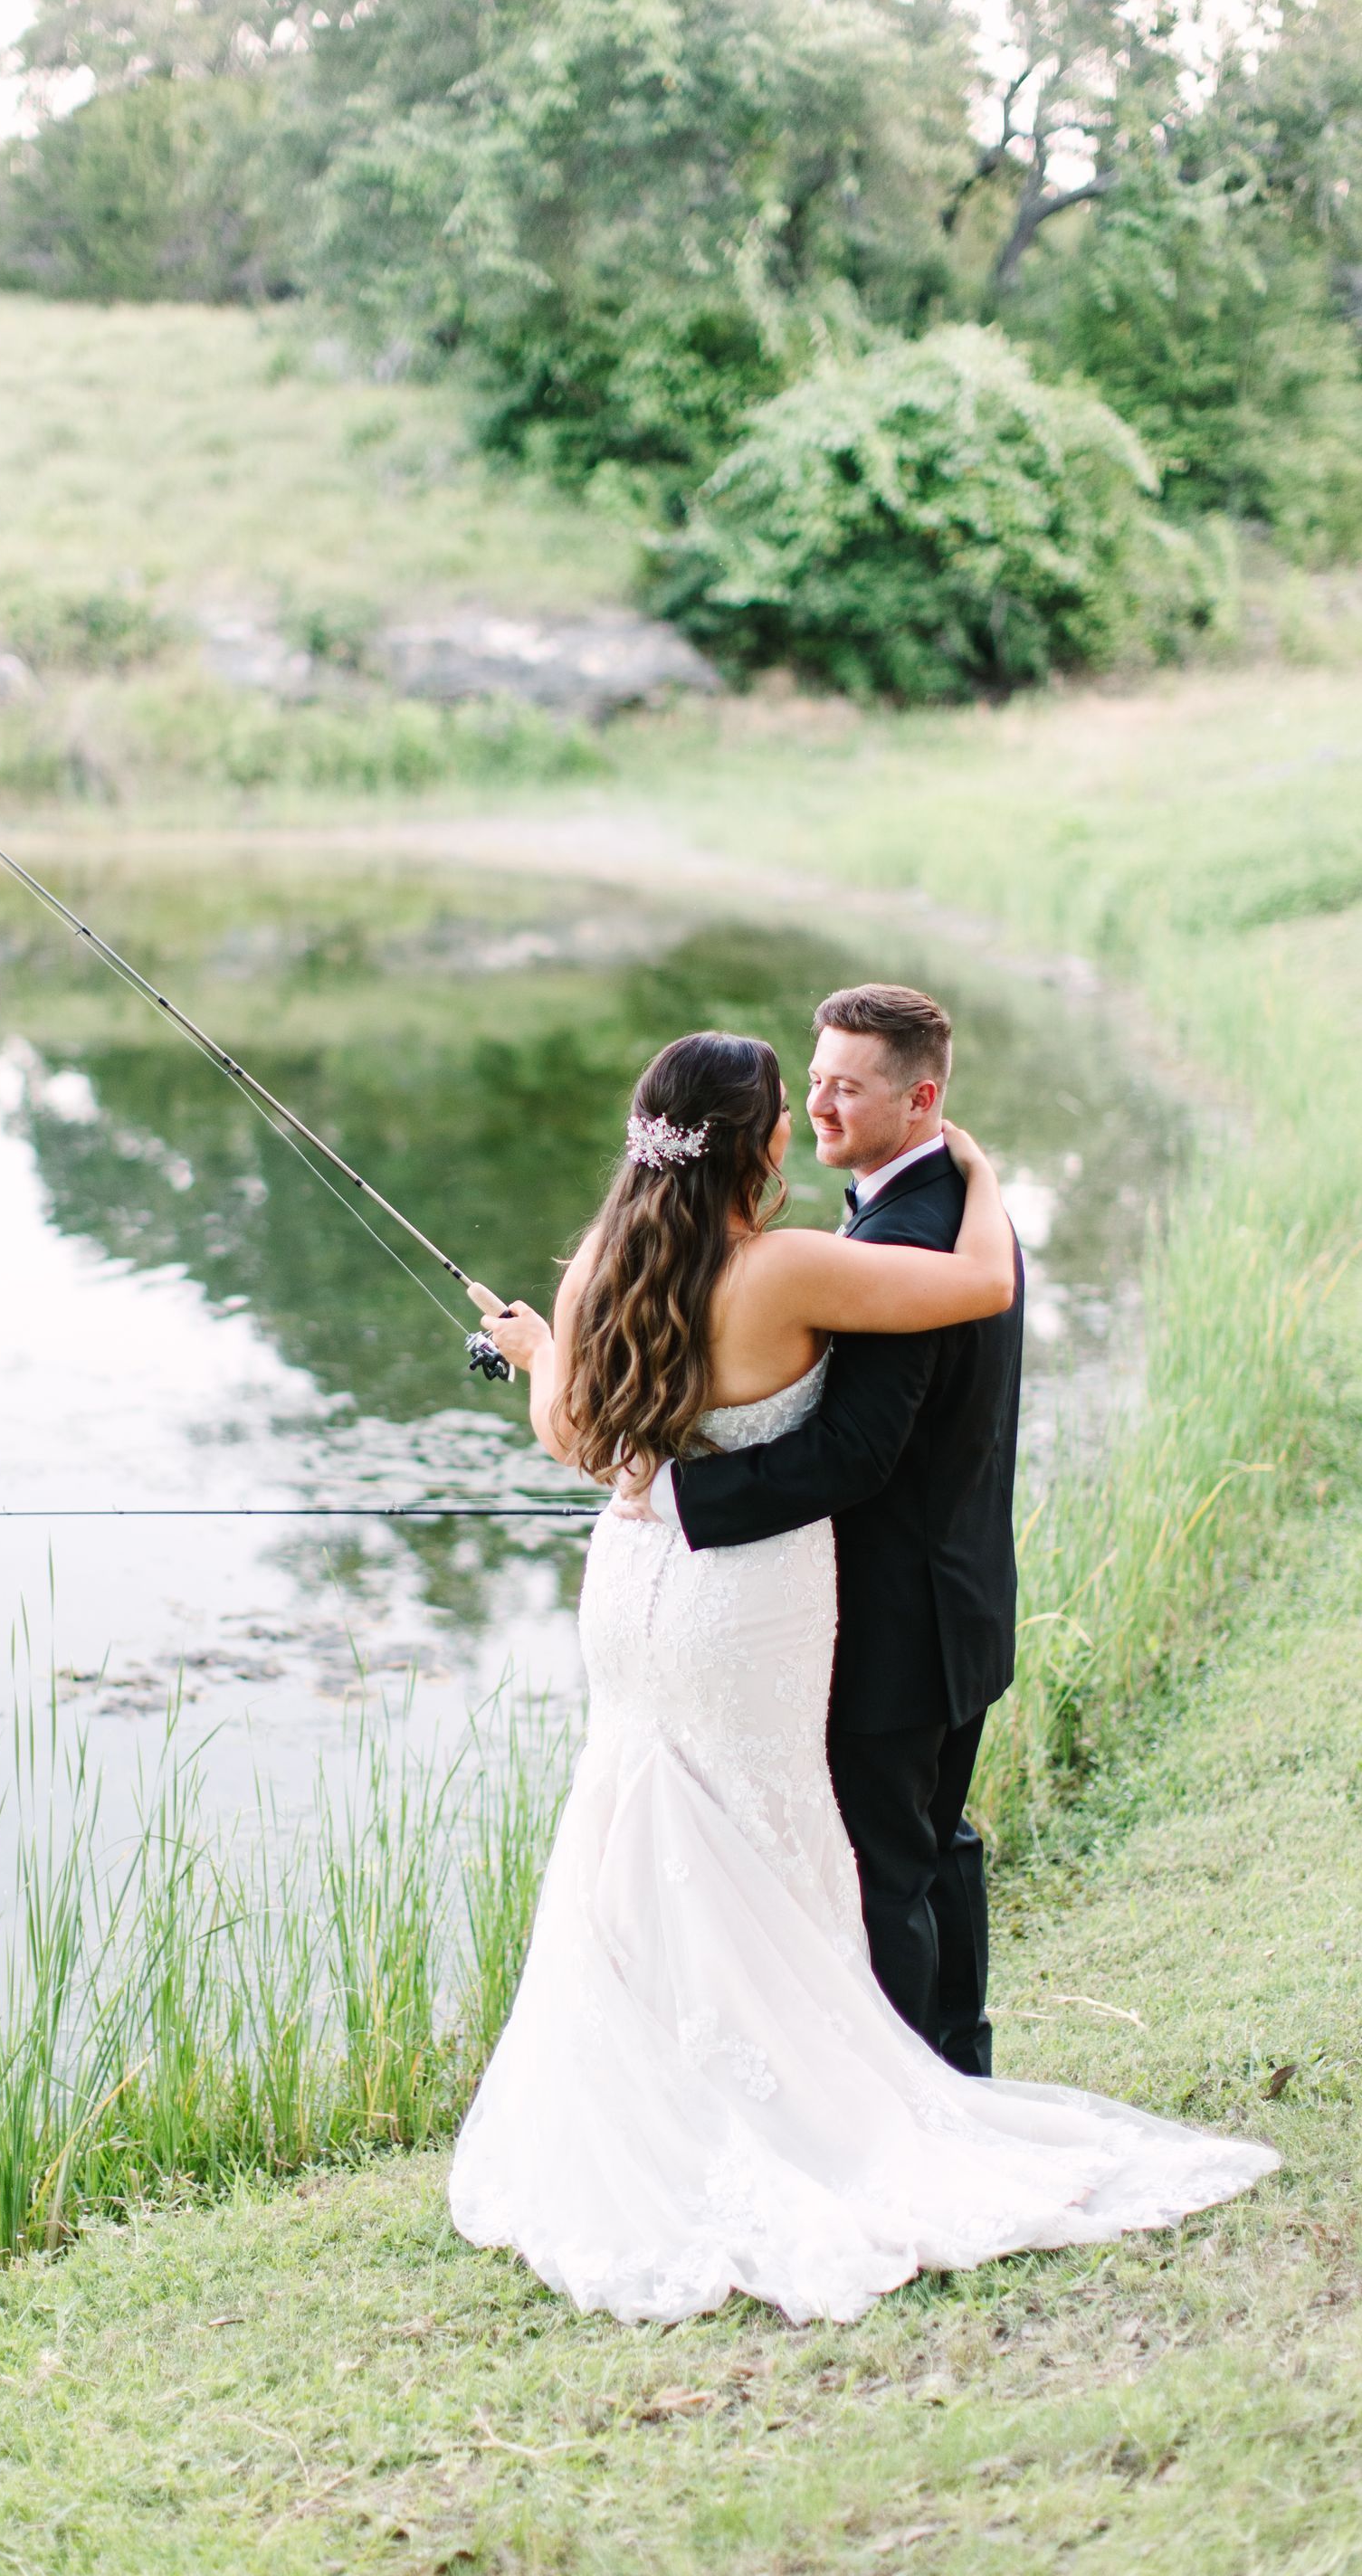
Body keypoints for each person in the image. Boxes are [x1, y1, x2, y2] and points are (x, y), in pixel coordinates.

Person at [449, 1027, 1275, 2325]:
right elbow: (977, 1285)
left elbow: (578, 1439)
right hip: (745, 1604)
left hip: (629, 1591)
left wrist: (541, 1349)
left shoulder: (605, 1261)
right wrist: (982, 1175)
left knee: (631, 1817)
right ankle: (815, 2106)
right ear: (765, 1142)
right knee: (770, 1830)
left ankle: (654, 2107)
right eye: (793, 1105)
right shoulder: (788, 1269)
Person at [621, 984, 1018, 2078]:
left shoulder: (905, 1239)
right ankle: (961, 2071)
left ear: (922, 1097)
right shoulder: (945, 1204)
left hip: (899, 1616)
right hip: (961, 1598)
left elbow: (851, 1456)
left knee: (888, 1871)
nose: (822, 1110)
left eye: (848, 1089)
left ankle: (918, 2102)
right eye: (817, 1084)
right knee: (938, 1848)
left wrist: (679, 1499)